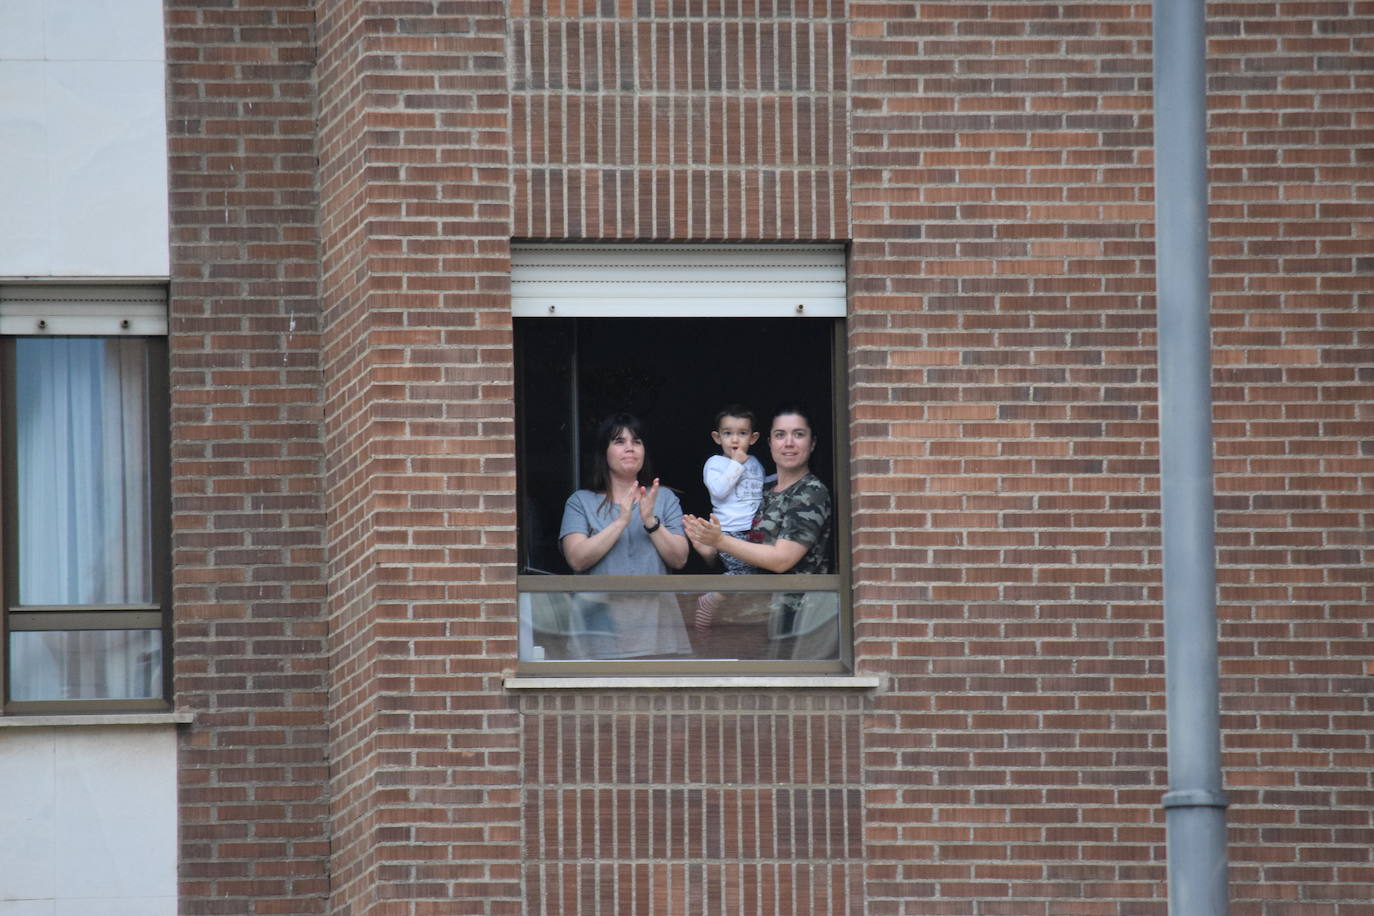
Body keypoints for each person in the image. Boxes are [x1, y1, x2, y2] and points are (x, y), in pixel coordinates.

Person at [683, 406, 835, 656]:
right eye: (779, 435)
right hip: (750, 623)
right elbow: (741, 553)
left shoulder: (810, 491)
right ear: (768, 442)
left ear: (813, 442)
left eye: (798, 434)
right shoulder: (760, 492)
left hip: (794, 625)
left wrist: (720, 541)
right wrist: (707, 549)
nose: (788, 443)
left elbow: (781, 560)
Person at [557, 413, 692, 657]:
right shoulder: (581, 501)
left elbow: (680, 558)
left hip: (658, 632)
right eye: (619, 441)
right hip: (599, 631)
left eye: (637, 441)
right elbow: (576, 558)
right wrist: (621, 521)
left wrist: (650, 521)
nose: (630, 448)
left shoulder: (664, 498)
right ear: (604, 452)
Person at [693, 404, 766, 629]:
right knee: (742, 574)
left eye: (742, 433)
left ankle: (735, 620)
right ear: (717, 437)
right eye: (728, 433)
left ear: (753, 438)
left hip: (755, 529)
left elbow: (761, 489)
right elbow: (718, 490)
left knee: (756, 576)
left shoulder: (755, 463)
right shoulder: (715, 464)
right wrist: (736, 463)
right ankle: (711, 598)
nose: (735, 439)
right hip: (730, 530)